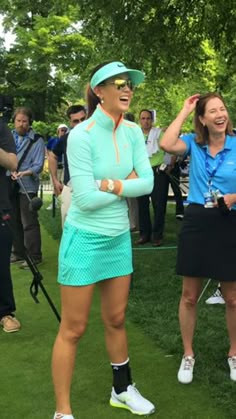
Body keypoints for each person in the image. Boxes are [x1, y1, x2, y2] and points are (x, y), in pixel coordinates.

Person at [51, 61, 155, 419]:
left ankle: (122, 389)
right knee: (74, 327)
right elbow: (85, 200)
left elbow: (149, 184)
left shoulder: (132, 132)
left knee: (116, 318)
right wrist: (125, 184)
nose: (127, 89)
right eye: (119, 84)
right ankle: (63, 411)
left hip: (118, 238)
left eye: (130, 84)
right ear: (99, 91)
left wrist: (108, 183)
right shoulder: (80, 135)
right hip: (83, 239)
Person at [161, 92, 236, 384]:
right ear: (203, 119)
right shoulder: (193, 142)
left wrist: (233, 197)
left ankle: (234, 353)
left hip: (229, 220)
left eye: (223, 109)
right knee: (189, 296)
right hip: (196, 220)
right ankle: (188, 354)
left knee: (232, 298)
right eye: (213, 111)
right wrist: (184, 110)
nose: (220, 115)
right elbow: (166, 143)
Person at [10, 107, 45, 269]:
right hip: (9, 184)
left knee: (28, 221)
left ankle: (34, 256)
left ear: (29, 122)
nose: (21, 124)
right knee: (13, 219)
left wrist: (24, 172)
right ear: (14, 121)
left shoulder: (37, 140)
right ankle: (18, 253)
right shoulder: (8, 137)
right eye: (18, 121)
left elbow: (38, 165)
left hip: (27, 186)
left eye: (25, 121)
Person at [48, 105, 87, 227]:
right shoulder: (65, 139)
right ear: (70, 123)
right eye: (76, 121)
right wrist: (55, 180)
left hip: (92, 187)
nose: (80, 123)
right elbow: (53, 156)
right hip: (70, 188)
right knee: (68, 227)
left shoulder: (96, 137)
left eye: (83, 119)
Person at [0, 118, 21, 333]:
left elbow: (13, 163)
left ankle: (5, 312)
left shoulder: (1, 128)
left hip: (0, 205)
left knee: (0, 264)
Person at [135, 110, 167, 246]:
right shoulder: (135, 135)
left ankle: (157, 235)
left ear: (152, 120)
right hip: (141, 172)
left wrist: (167, 165)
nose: (146, 121)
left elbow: (168, 149)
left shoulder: (159, 133)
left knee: (159, 204)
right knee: (141, 205)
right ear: (139, 120)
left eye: (148, 118)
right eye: (143, 118)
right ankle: (144, 234)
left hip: (157, 171)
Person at [46, 124, 69, 210]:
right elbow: (48, 149)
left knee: (64, 185)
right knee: (55, 185)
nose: (63, 132)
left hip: (63, 166)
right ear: (58, 131)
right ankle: (54, 202)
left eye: (65, 130)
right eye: (62, 130)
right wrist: (49, 158)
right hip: (55, 166)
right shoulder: (53, 140)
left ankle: (62, 201)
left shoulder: (66, 140)